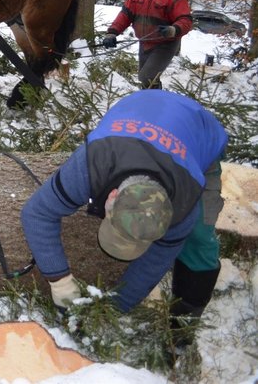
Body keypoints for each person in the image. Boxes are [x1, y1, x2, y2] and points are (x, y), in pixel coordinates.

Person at [20, 90, 227, 343]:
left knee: (199, 241)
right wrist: (59, 281)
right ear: (112, 196)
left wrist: (114, 309)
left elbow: (154, 262)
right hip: (139, 106)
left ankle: (181, 331)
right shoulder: (92, 164)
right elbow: (36, 213)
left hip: (200, 129)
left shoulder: (185, 204)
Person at [101, 0, 193, 89]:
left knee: (147, 76)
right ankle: (149, 104)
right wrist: (112, 33)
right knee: (146, 80)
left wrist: (173, 30)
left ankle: (156, 103)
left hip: (165, 44)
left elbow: (185, 20)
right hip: (145, 43)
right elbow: (125, 14)